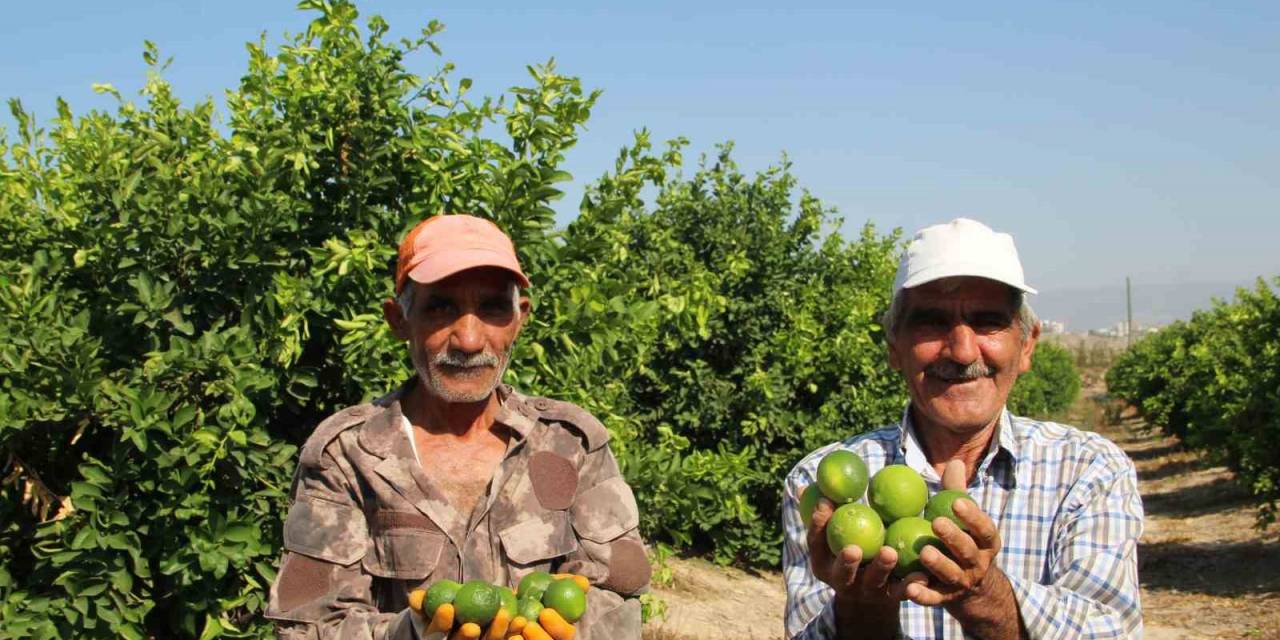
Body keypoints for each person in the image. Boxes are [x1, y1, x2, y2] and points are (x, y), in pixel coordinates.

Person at [266, 214, 649, 640]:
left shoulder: (568, 445)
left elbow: (620, 590)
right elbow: (307, 623)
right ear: (398, 320)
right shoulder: (347, 455)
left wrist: (572, 634)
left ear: (519, 318)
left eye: (492, 308)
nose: (468, 339)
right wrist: (408, 634)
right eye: (441, 307)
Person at [782, 218, 1143, 639]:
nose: (962, 350)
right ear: (895, 349)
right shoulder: (822, 483)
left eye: (988, 321)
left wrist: (982, 593)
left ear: (1027, 346)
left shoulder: (1087, 470)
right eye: (932, 322)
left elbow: (1108, 630)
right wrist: (863, 610)